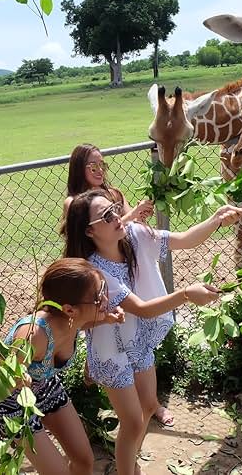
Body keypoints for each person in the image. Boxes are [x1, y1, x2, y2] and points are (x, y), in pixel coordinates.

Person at [64, 190, 242, 475]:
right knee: (134, 422)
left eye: (115, 208)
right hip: (111, 351)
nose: (117, 216)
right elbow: (144, 309)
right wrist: (186, 293)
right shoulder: (95, 271)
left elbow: (184, 240)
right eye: (107, 215)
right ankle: (127, 467)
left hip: (137, 341)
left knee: (148, 406)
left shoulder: (135, 235)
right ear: (89, 231)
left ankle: (128, 458)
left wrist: (216, 219)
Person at [63, 142, 183, 426]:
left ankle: (151, 406)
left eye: (102, 163)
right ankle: (109, 382)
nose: (98, 169)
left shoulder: (114, 193)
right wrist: (128, 216)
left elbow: (125, 228)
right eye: (92, 164)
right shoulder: (75, 203)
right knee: (103, 328)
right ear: (79, 168)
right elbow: (93, 236)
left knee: (138, 343)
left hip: (124, 271)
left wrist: (139, 215)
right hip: (98, 277)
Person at [0, 258, 124, 475]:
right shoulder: (33, 334)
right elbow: (0, 376)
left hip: (45, 386)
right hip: (12, 403)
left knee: (84, 460)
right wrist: (18, 376)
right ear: (69, 309)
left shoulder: (70, 319)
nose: (106, 299)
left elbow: (82, 322)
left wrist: (105, 319)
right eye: (99, 297)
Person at [63, 143, 154, 226]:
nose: (100, 170)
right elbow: (99, 235)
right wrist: (134, 213)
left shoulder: (114, 194)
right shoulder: (72, 202)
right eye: (93, 167)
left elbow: (132, 226)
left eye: (102, 165)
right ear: (79, 170)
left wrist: (140, 214)